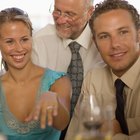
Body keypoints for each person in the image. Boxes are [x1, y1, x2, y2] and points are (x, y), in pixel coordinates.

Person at [65, 0, 140, 139]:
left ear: (139, 34)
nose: (115, 44)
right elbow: (76, 135)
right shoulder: (93, 79)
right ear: (96, 42)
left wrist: (114, 135)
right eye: (104, 36)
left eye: (123, 32)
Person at [32, 0, 104, 139]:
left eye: (70, 14)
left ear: (89, 12)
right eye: (57, 11)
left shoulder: (104, 41)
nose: (60, 20)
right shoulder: (39, 42)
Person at [0, 7, 71, 140]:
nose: (19, 48)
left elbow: (62, 124)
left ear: (32, 39)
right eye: (10, 41)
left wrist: (54, 99)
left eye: (24, 39)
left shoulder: (58, 81)